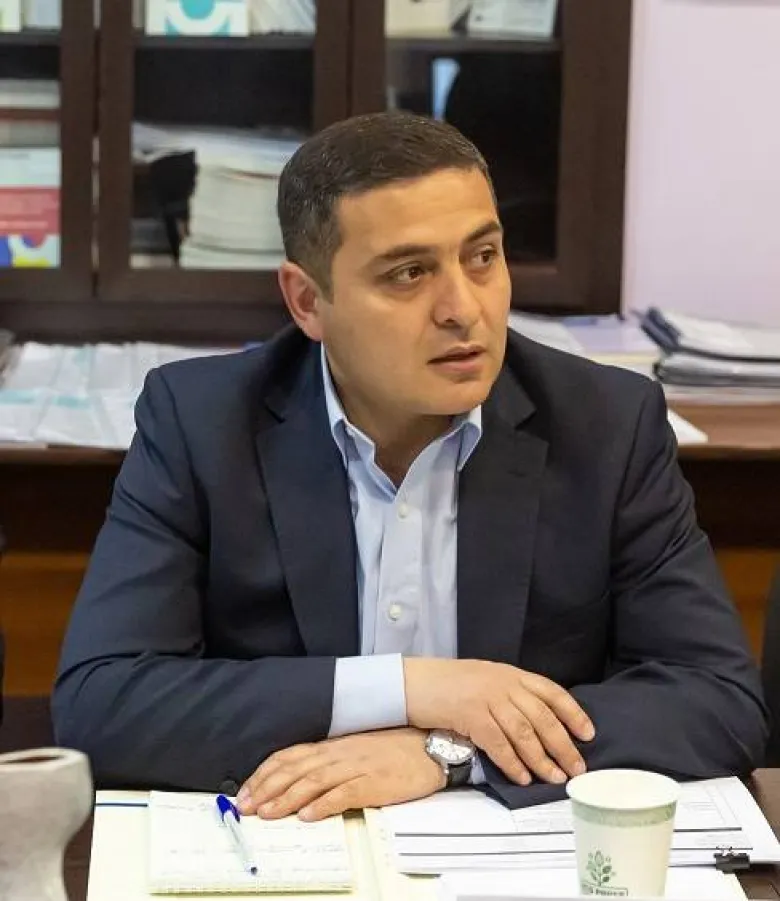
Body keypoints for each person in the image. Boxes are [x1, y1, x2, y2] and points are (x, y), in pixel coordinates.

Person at [53, 111, 767, 818]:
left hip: (510, 852)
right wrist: (414, 689)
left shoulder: (607, 425)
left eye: (482, 257)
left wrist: (449, 751)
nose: (463, 309)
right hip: (291, 846)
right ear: (307, 301)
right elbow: (102, 707)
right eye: (409, 273)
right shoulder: (202, 424)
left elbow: (718, 701)